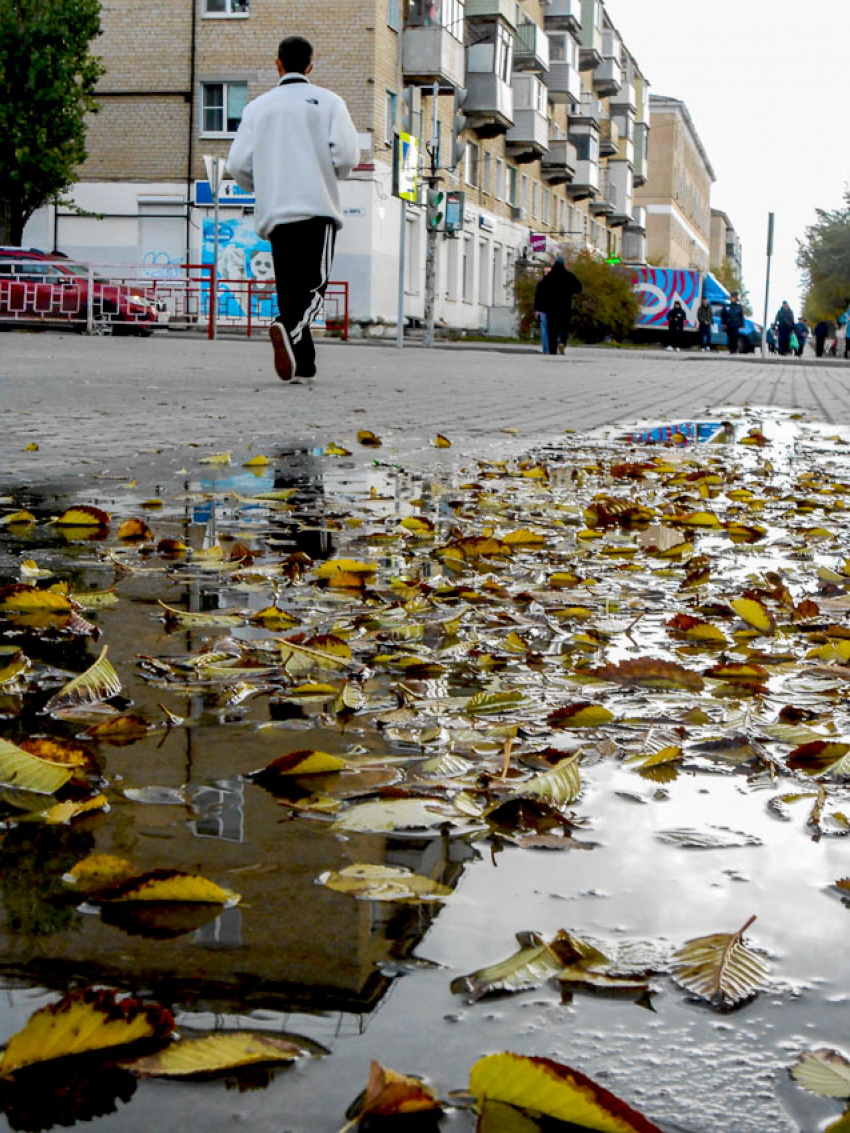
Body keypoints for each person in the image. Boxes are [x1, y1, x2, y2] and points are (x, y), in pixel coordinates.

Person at [227, 35, 360, 383]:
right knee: (313, 288)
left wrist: (265, 183)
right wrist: (332, 172)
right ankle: (283, 327)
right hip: (317, 209)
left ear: (278, 64)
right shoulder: (330, 103)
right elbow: (346, 156)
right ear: (311, 65)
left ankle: (304, 365)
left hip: (275, 213)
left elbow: (238, 164)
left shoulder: (257, 108)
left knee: (289, 288)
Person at [534, 257, 582, 355]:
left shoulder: (548, 278)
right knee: (564, 327)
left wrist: (538, 308)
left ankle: (553, 350)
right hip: (565, 307)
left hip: (551, 309)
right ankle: (562, 342)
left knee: (552, 330)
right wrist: (570, 292)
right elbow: (578, 288)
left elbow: (540, 292)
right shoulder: (569, 276)